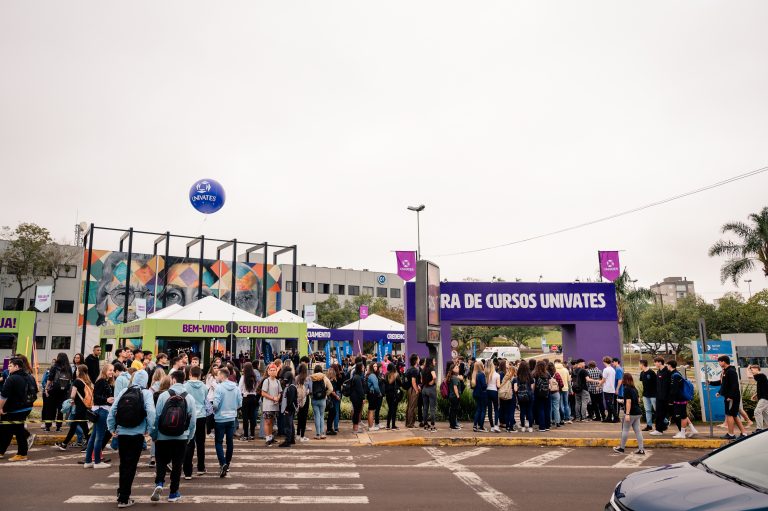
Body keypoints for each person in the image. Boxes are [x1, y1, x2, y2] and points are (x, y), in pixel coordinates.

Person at [108, 369, 156, 509]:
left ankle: (121, 492)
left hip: (122, 433)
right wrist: (150, 429)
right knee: (131, 466)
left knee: (123, 464)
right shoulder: (146, 393)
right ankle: (124, 498)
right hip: (137, 434)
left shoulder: (124, 392)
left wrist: (111, 428)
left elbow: (112, 411)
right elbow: (151, 412)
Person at [151, 370, 197, 503]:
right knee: (177, 465)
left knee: (161, 461)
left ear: (173, 380)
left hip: (163, 436)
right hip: (181, 436)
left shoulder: (164, 395)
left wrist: (154, 435)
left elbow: (157, 417)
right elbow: (193, 421)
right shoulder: (189, 397)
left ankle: (159, 483)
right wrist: (189, 436)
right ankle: (173, 493)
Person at [0, 357, 37, 462]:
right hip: (27, 408)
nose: (8, 367)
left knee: (14, 430)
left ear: (16, 366)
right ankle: (2, 451)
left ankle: (22, 453)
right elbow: (35, 391)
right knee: (10, 429)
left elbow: (4, 396)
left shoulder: (12, 378)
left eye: (10, 365)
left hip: (15, 409)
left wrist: (0, 408)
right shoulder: (30, 377)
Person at [708, 355, 747, 440]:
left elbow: (734, 385)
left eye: (719, 361)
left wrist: (731, 396)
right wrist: (716, 389)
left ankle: (731, 434)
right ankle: (744, 433)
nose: (719, 363)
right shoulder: (726, 371)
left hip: (731, 397)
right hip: (728, 396)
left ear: (723, 362)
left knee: (730, 415)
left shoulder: (731, 371)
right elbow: (723, 383)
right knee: (734, 415)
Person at [212, 367, 242, 477]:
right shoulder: (236, 387)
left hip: (220, 418)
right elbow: (240, 402)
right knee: (230, 442)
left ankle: (223, 463)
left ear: (222, 376)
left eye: (218, 374)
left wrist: (215, 410)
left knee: (219, 442)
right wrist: (233, 409)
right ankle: (227, 464)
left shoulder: (219, 388)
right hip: (231, 418)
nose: (217, 376)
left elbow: (215, 404)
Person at [84, 363, 114, 468]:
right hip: (102, 410)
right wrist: (107, 399)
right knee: (99, 437)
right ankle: (97, 462)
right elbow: (96, 398)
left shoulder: (103, 381)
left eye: (112, 370)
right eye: (110, 370)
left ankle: (88, 461)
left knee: (93, 437)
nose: (112, 372)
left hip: (99, 410)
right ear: (105, 370)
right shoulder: (102, 382)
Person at [56, 365, 93, 450]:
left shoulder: (77, 381)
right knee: (82, 427)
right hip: (85, 406)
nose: (76, 371)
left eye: (77, 370)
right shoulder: (87, 381)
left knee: (77, 426)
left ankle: (65, 444)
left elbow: (72, 395)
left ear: (79, 372)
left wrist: (72, 400)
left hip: (79, 408)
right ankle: (65, 443)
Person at [183, 366, 208, 479]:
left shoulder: (185, 386)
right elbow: (206, 401)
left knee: (189, 442)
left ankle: (188, 472)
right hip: (201, 416)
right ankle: (201, 467)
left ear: (190, 374)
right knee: (201, 443)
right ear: (200, 375)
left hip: (189, 416)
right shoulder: (204, 386)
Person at [613, 373, 645, 455]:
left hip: (630, 413)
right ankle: (641, 449)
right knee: (638, 431)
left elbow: (629, 402)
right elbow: (638, 400)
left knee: (625, 430)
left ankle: (622, 448)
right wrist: (623, 401)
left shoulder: (626, 389)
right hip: (638, 412)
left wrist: (627, 414)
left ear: (625, 379)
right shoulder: (634, 388)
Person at [666, 360, 698, 439]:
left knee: (682, 416)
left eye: (667, 365)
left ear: (670, 365)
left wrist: (670, 400)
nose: (667, 366)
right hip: (681, 398)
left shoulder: (675, 375)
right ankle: (693, 429)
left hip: (679, 399)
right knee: (683, 414)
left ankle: (683, 433)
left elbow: (675, 389)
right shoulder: (676, 374)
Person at [43, 352, 71, 432]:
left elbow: (50, 379)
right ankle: (58, 427)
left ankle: (48, 427)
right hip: (64, 391)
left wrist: (46, 388)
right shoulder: (68, 367)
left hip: (54, 390)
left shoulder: (54, 366)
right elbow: (70, 380)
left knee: (50, 409)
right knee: (61, 410)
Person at [260, 363, 282, 446]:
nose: (273, 372)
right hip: (267, 405)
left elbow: (280, 392)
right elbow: (263, 393)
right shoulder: (266, 381)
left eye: (274, 370)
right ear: (268, 372)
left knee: (272, 422)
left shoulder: (277, 381)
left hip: (275, 405)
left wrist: (278, 398)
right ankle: (267, 438)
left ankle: (271, 437)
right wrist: (273, 398)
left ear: (277, 371)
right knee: (267, 422)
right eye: (271, 370)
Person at [239, 362, 261, 441]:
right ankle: (252, 434)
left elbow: (240, 388)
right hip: (254, 398)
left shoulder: (243, 377)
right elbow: (257, 388)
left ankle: (245, 435)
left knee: (245, 418)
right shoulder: (254, 377)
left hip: (245, 398)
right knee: (252, 418)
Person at [650, 357, 671, 436]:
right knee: (658, 413)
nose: (655, 364)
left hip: (665, 398)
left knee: (662, 413)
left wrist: (667, 397)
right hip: (658, 397)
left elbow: (668, 386)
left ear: (660, 362)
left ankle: (660, 429)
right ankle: (659, 429)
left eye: (655, 362)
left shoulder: (667, 372)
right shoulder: (658, 371)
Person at [278, 372, 298, 448]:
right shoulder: (291, 386)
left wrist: (286, 409)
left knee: (288, 425)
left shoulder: (291, 387)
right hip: (290, 408)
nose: (284, 380)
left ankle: (288, 441)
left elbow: (290, 400)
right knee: (290, 424)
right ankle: (291, 439)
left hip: (289, 409)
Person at [514, 360, 534, 432]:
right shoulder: (530, 375)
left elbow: (516, 389)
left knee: (522, 411)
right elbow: (532, 387)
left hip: (521, 395)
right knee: (529, 411)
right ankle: (530, 427)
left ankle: (523, 427)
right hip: (529, 395)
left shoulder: (518, 376)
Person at [532, 360, 551, 432]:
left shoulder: (534, 373)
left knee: (540, 410)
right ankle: (547, 426)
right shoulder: (547, 373)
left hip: (538, 393)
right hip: (547, 393)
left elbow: (533, 386)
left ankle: (542, 427)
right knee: (547, 410)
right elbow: (550, 385)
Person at [638, 359, 657, 431]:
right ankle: (649, 425)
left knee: (657, 410)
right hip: (645, 395)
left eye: (639, 364)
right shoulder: (642, 373)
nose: (639, 366)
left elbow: (656, 383)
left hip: (653, 395)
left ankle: (663, 423)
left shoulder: (651, 372)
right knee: (648, 410)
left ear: (642, 364)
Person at [748, 364, 767, 432]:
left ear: (757, 369)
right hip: (764, 397)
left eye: (752, 370)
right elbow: (764, 388)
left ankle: (759, 429)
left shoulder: (761, 375)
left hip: (764, 398)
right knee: (765, 413)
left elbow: (749, 377)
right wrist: (755, 395)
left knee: (757, 411)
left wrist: (747, 369)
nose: (752, 371)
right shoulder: (761, 377)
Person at [294, 363, 310, 442]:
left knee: (299, 417)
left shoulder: (296, 378)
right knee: (304, 418)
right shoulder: (308, 379)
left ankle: (297, 434)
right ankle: (302, 436)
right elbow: (311, 390)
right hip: (305, 399)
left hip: (298, 399)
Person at [404, 354, 421, 428]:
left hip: (409, 389)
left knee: (409, 406)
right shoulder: (414, 370)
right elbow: (413, 381)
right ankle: (410, 424)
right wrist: (416, 390)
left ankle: (408, 423)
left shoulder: (409, 369)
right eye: (418, 358)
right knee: (412, 407)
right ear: (415, 360)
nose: (419, 359)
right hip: (413, 389)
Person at [421, 358, 438, 432]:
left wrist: (426, 383)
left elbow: (421, 380)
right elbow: (434, 376)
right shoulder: (432, 368)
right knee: (432, 408)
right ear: (431, 362)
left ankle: (425, 425)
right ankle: (432, 426)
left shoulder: (423, 369)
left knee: (425, 408)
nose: (435, 362)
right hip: (431, 389)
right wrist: (432, 381)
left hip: (424, 389)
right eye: (434, 361)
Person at [365, 362, 383, 432]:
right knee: (371, 410)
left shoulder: (370, 374)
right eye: (374, 366)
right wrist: (379, 393)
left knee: (370, 410)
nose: (376, 367)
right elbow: (376, 386)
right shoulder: (372, 375)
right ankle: (371, 426)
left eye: (376, 366)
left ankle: (370, 426)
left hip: (370, 394)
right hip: (373, 394)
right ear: (371, 367)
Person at [471, 360, 488, 432]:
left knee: (478, 409)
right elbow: (484, 385)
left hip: (476, 393)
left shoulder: (474, 374)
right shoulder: (481, 374)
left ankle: (475, 425)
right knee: (483, 410)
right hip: (482, 394)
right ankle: (481, 426)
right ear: (481, 366)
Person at [554, 359, 572, 424]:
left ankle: (562, 417)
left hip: (558, 389)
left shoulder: (555, 370)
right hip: (565, 388)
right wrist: (570, 390)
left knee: (560, 404)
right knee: (566, 404)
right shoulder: (565, 370)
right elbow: (569, 381)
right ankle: (568, 417)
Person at [499, 364, 516, 432]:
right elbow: (515, 389)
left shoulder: (505, 377)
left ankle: (507, 427)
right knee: (511, 412)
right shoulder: (514, 378)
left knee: (506, 411)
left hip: (505, 396)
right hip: (511, 396)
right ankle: (511, 427)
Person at [349, 363, 366, 433]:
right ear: (360, 368)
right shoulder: (358, 377)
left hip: (354, 397)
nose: (364, 368)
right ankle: (355, 429)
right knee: (356, 412)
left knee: (356, 412)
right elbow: (360, 389)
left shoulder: (355, 376)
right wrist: (363, 398)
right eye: (362, 367)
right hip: (357, 398)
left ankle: (355, 428)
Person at [600, 357, 617, 423]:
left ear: (604, 362)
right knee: (609, 404)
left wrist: (599, 385)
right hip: (611, 388)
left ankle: (616, 417)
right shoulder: (613, 369)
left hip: (607, 389)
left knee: (609, 404)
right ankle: (609, 417)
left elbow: (603, 380)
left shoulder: (605, 370)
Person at [326, 365, 342, 435]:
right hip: (332, 398)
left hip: (330, 398)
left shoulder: (328, 380)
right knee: (334, 412)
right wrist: (336, 396)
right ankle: (331, 428)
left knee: (332, 413)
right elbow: (332, 390)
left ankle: (331, 428)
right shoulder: (332, 381)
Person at [447, 361, 462, 430]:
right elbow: (455, 387)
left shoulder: (452, 377)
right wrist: (458, 396)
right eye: (456, 367)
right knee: (454, 411)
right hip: (455, 396)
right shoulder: (455, 378)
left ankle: (452, 425)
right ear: (453, 370)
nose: (458, 368)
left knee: (452, 411)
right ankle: (453, 425)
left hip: (451, 396)